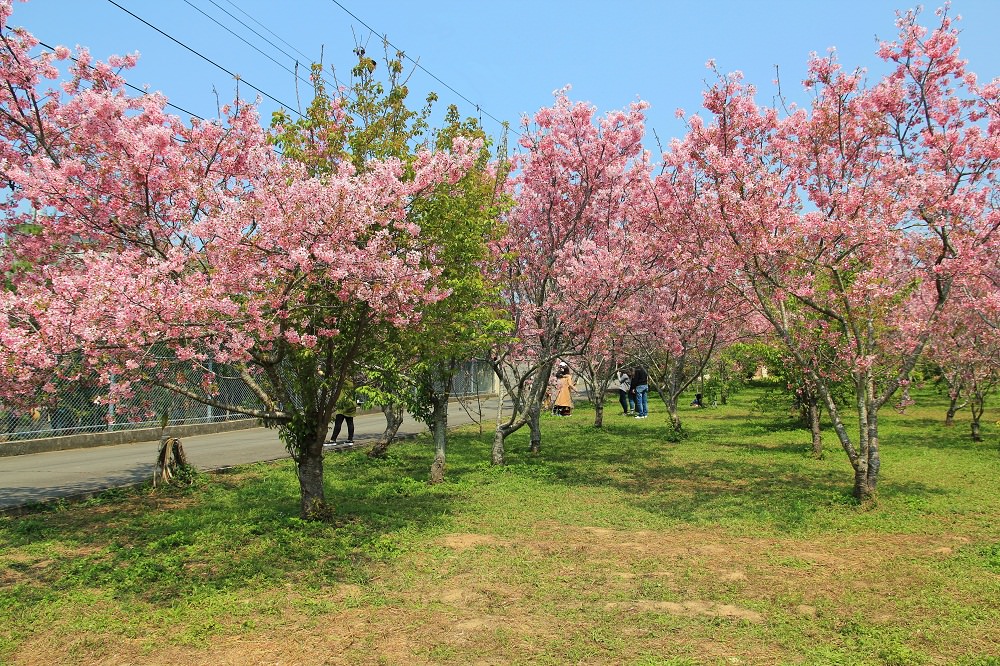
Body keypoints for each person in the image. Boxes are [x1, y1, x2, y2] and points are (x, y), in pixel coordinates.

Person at [329, 375, 357, 446]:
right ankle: (350, 439)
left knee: (338, 423)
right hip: (351, 404)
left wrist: (320, 371)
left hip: (343, 405)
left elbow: (331, 377)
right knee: (350, 422)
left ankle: (333, 439)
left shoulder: (342, 381)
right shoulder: (353, 383)